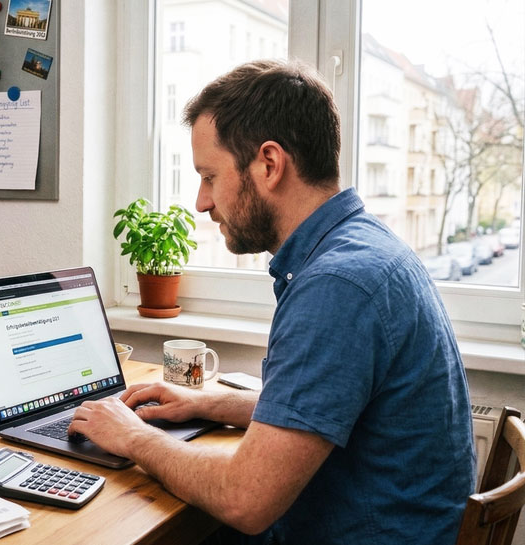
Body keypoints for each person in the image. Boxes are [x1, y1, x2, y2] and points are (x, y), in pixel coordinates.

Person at [68, 59, 476, 544]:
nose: (201, 202)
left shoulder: (338, 285)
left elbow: (246, 499)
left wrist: (132, 436)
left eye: (209, 176)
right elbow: (333, 406)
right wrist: (210, 403)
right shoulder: (363, 248)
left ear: (269, 163)